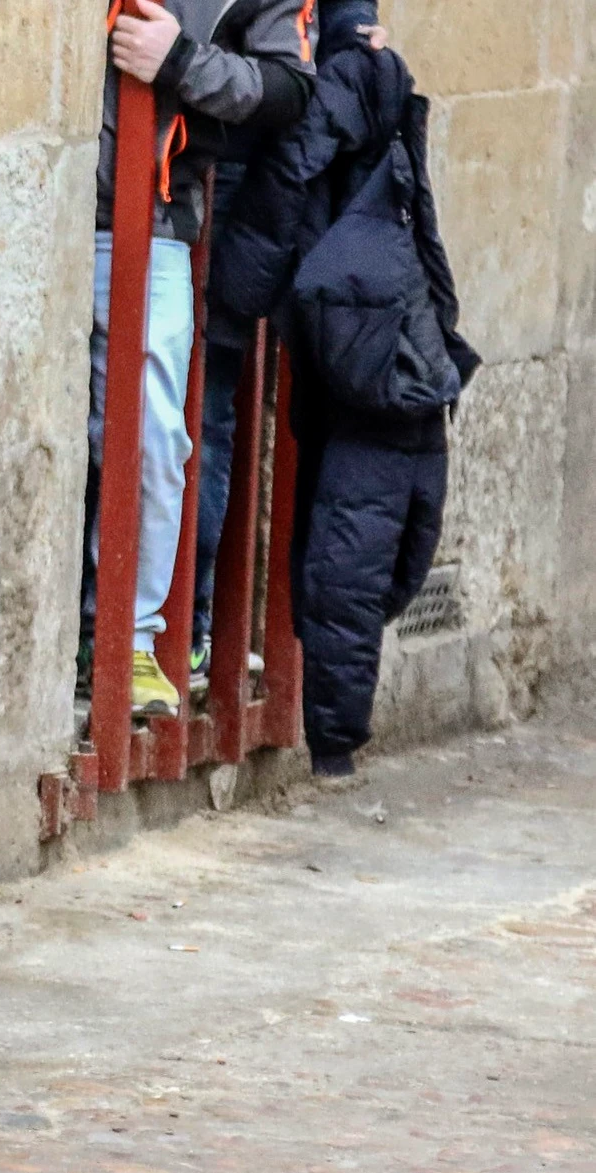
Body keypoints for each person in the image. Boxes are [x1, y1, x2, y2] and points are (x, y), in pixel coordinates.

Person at [212, 1, 479, 782]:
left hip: (370, 351)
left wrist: (236, 298)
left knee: (351, 541)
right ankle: (331, 722)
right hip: (385, 347)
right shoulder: (374, 98)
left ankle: (330, 724)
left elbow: (285, 185)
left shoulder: (355, 93)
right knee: (357, 541)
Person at [87, 0, 315, 717]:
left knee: (154, 438)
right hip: (31, 199)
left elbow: (290, 88)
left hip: (150, 214)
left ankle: (124, 638)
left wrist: (182, 62)